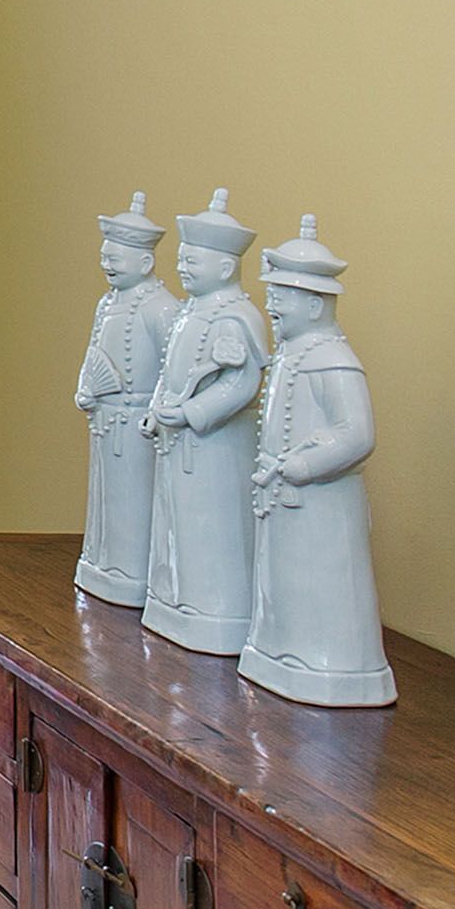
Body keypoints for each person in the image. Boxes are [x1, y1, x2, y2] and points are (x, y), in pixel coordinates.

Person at [243, 217, 397, 706]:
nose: (272, 305)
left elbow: (358, 435)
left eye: (282, 296)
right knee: (286, 583)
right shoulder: (292, 354)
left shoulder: (334, 359)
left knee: (326, 583)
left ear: (314, 304)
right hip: (285, 499)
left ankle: (330, 664)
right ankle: (285, 653)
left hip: (321, 503)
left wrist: (305, 467)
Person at [140, 193, 267, 656]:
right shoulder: (187, 313)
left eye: (193, 260)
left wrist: (194, 413)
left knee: (211, 528)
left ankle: (213, 609)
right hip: (177, 445)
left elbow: (243, 383)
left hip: (215, 450)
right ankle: (174, 601)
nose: (183, 267)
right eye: (182, 259)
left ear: (226, 267)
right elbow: (169, 371)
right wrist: (157, 408)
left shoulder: (237, 317)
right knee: (176, 524)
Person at [73, 195, 178, 608]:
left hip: (138, 425)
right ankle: (105, 563)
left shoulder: (162, 308)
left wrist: (156, 409)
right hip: (105, 421)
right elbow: (93, 353)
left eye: (115, 257)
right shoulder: (106, 304)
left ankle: (133, 571)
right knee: (107, 502)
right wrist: (85, 389)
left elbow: (175, 367)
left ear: (145, 262)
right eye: (105, 256)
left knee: (135, 500)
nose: (107, 264)